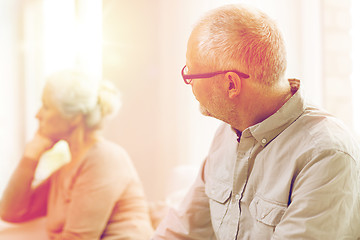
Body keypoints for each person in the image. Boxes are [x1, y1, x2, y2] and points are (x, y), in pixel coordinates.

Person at [152, 4, 360, 239]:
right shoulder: (226, 135)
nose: (188, 82)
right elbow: (182, 231)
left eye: (190, 74)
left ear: (231, 84)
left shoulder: (327, 155)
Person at [0, 70, 154, 239]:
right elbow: (11, 212)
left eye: (46, 106)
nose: (38, 115)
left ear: (74, 117)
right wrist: (29, 158)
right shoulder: (66, 168)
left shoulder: (104, 158)